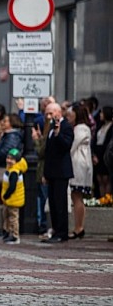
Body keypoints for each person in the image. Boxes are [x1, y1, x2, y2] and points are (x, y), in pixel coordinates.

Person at [42, 102, 74, 243]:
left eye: (50, 113)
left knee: (60, 203)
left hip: (61, 171)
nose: (48, 116)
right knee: (53, 203)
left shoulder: (66, 126)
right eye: (46, 113)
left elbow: (66, 145)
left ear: (58, 112)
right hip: (52, 171)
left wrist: (57, 133)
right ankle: (55, 230)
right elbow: (48, 152)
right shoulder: (49, 127)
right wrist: (45, 173)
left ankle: (62, 232)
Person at [68, 103, 93, 239]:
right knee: (76, 196)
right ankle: (78, 226)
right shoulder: (81, 128)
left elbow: (72, 145)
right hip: (79, 162)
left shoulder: (80, 129)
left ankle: (79, 227)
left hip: (78, 163)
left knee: (77, 196)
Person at [1, 148, 27, 244]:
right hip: (9, 199)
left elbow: (12, 187)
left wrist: (6, 195)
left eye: (12, 159)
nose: (9, 161)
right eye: (8, 158)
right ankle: (8, 232)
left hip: (13, 199)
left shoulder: (14, 172)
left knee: (13, 218)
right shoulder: (10, 170)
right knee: (7, 217)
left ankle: (15, 235)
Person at [92, 106, 112, 197]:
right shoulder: (100, 126)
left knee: (106, 178)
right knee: (99, 178)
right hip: (98, 152)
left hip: (106, 154)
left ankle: (107, 198)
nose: (100, 115)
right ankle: (101, 197)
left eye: (102, 113)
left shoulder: (111, 127)